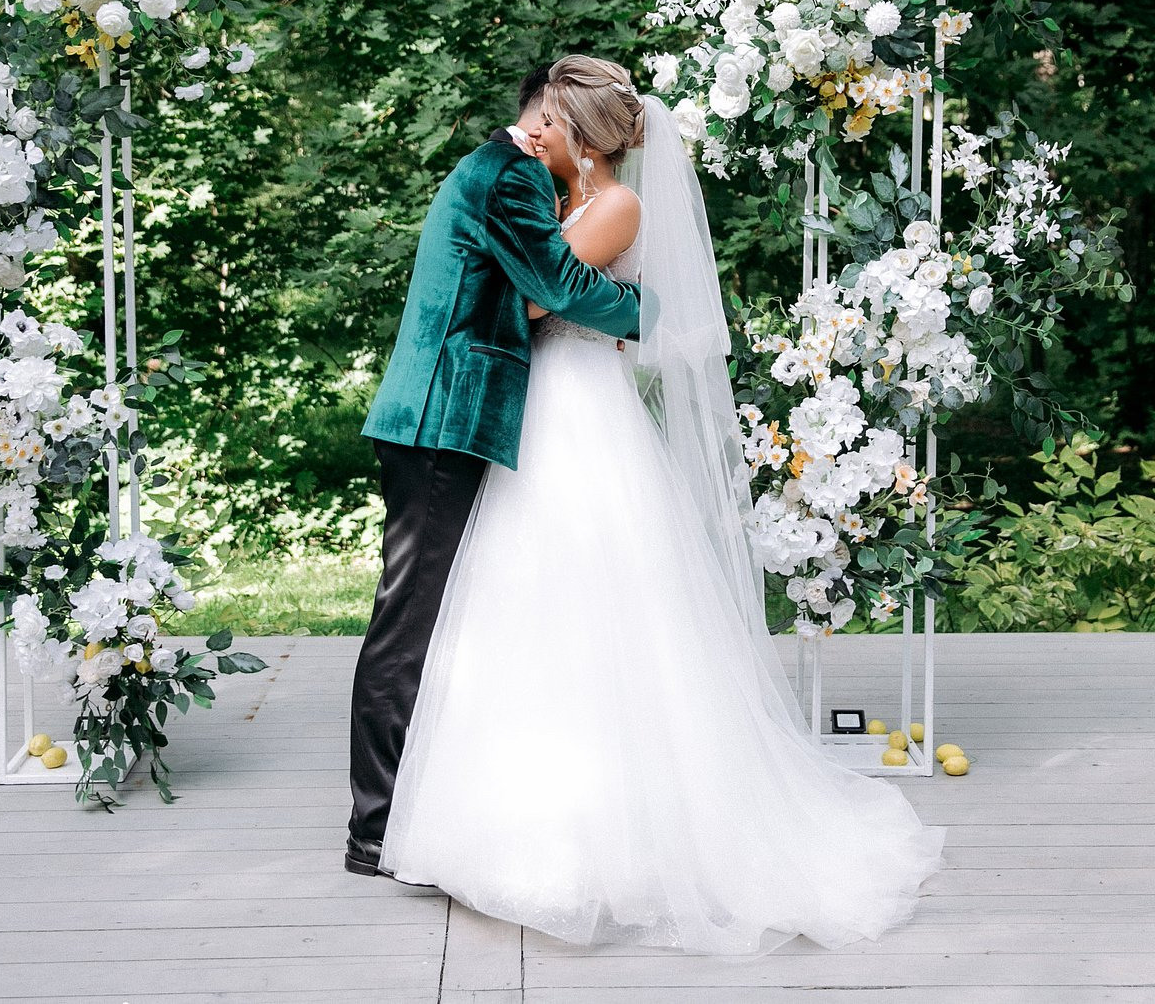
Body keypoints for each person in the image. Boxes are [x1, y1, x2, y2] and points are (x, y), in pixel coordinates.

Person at [379, 55, 946, 954]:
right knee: (515, 604)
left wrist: (586, 289)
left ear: (583, 136)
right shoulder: (551, 194)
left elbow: (541, 301)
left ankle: (604, 823)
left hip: (575, 411)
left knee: (592, 592)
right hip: (540, 409)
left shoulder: (614, 205)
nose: (542, 133)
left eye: (557, 124)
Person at [347, 64, 641, 879]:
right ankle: (374, 828)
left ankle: (413, 811)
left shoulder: (513, 175)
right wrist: (652, 310)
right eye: (549, 117)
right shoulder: (511, 174)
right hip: (440, 418)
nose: (552, 132)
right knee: (408, 623)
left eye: (562, 120)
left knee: (441, 616)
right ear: (540, 120)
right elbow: (550, 287)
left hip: (449, 417)